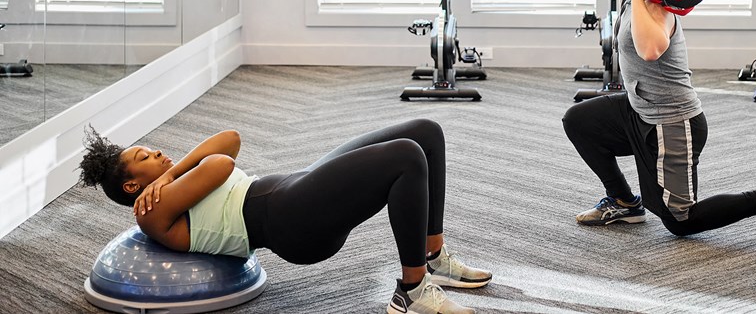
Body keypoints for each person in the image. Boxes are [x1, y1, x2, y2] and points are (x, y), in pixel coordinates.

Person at [79, 119, 490, 314]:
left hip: (296, 186)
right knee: (406, 156)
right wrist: (172, 176)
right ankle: (412, 291)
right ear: (133, 186)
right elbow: (220, 164)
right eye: (144, 157)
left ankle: (433, 259)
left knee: (425, 132)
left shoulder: (167, 182)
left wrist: (168, 170)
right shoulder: (150, 212)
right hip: (291, 220)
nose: (155, 152)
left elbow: (231, 138)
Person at [562, 0, 756, 239]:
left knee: (680, 221)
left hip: (673, 123)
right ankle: (625, 202)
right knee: (579, 120)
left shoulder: (654, 6)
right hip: (640, 111)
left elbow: (650, 50)